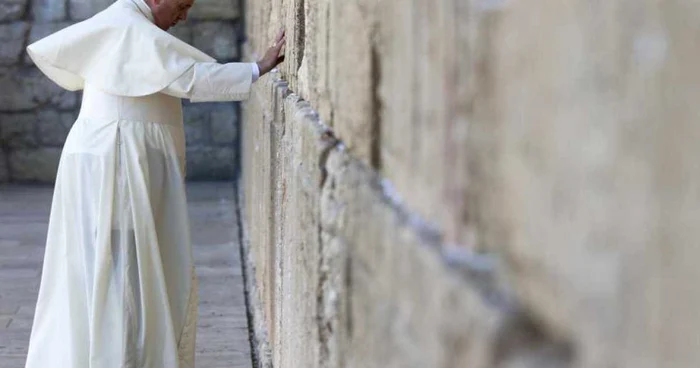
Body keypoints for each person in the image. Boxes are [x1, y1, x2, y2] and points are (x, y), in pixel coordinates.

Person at [23, 0, 285, 366]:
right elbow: (189, 76)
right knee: (121, 267)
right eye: (181, 4)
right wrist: (256, 69)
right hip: (116, 160)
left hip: (113, 155)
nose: (184, 15)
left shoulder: (129, 22)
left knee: (118, 266)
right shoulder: (129, 26)